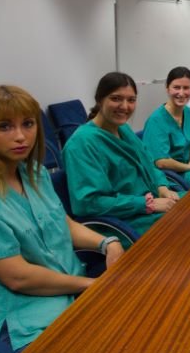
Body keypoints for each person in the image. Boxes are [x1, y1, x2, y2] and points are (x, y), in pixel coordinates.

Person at [0, 85, 124, 353]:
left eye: (28, 124)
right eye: (5, 126)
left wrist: (106, 243)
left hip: (65, 294)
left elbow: (62, 223)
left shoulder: (32, 173)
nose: (20, 136)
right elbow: (18, 278)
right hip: (19, 325)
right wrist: (94, 286)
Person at [63, 72, 181, 236]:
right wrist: (147, 204)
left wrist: (162, 187)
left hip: (151, 205)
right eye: (116, 98)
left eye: (131, 100)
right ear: (99, 99)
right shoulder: (81, 144)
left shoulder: (123, 129)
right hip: (123, 223)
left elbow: (148, 163)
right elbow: (88, 203)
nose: (125, 106)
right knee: (189, 226)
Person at [143, 67, 190, 190]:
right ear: (167, 89)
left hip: (188, 169)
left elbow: (186, 137)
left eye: (186, 88)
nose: (181, 93)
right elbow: (161, 162)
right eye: (176, 87)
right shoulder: (156, 120)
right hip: (172, 178)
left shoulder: (188, 112)